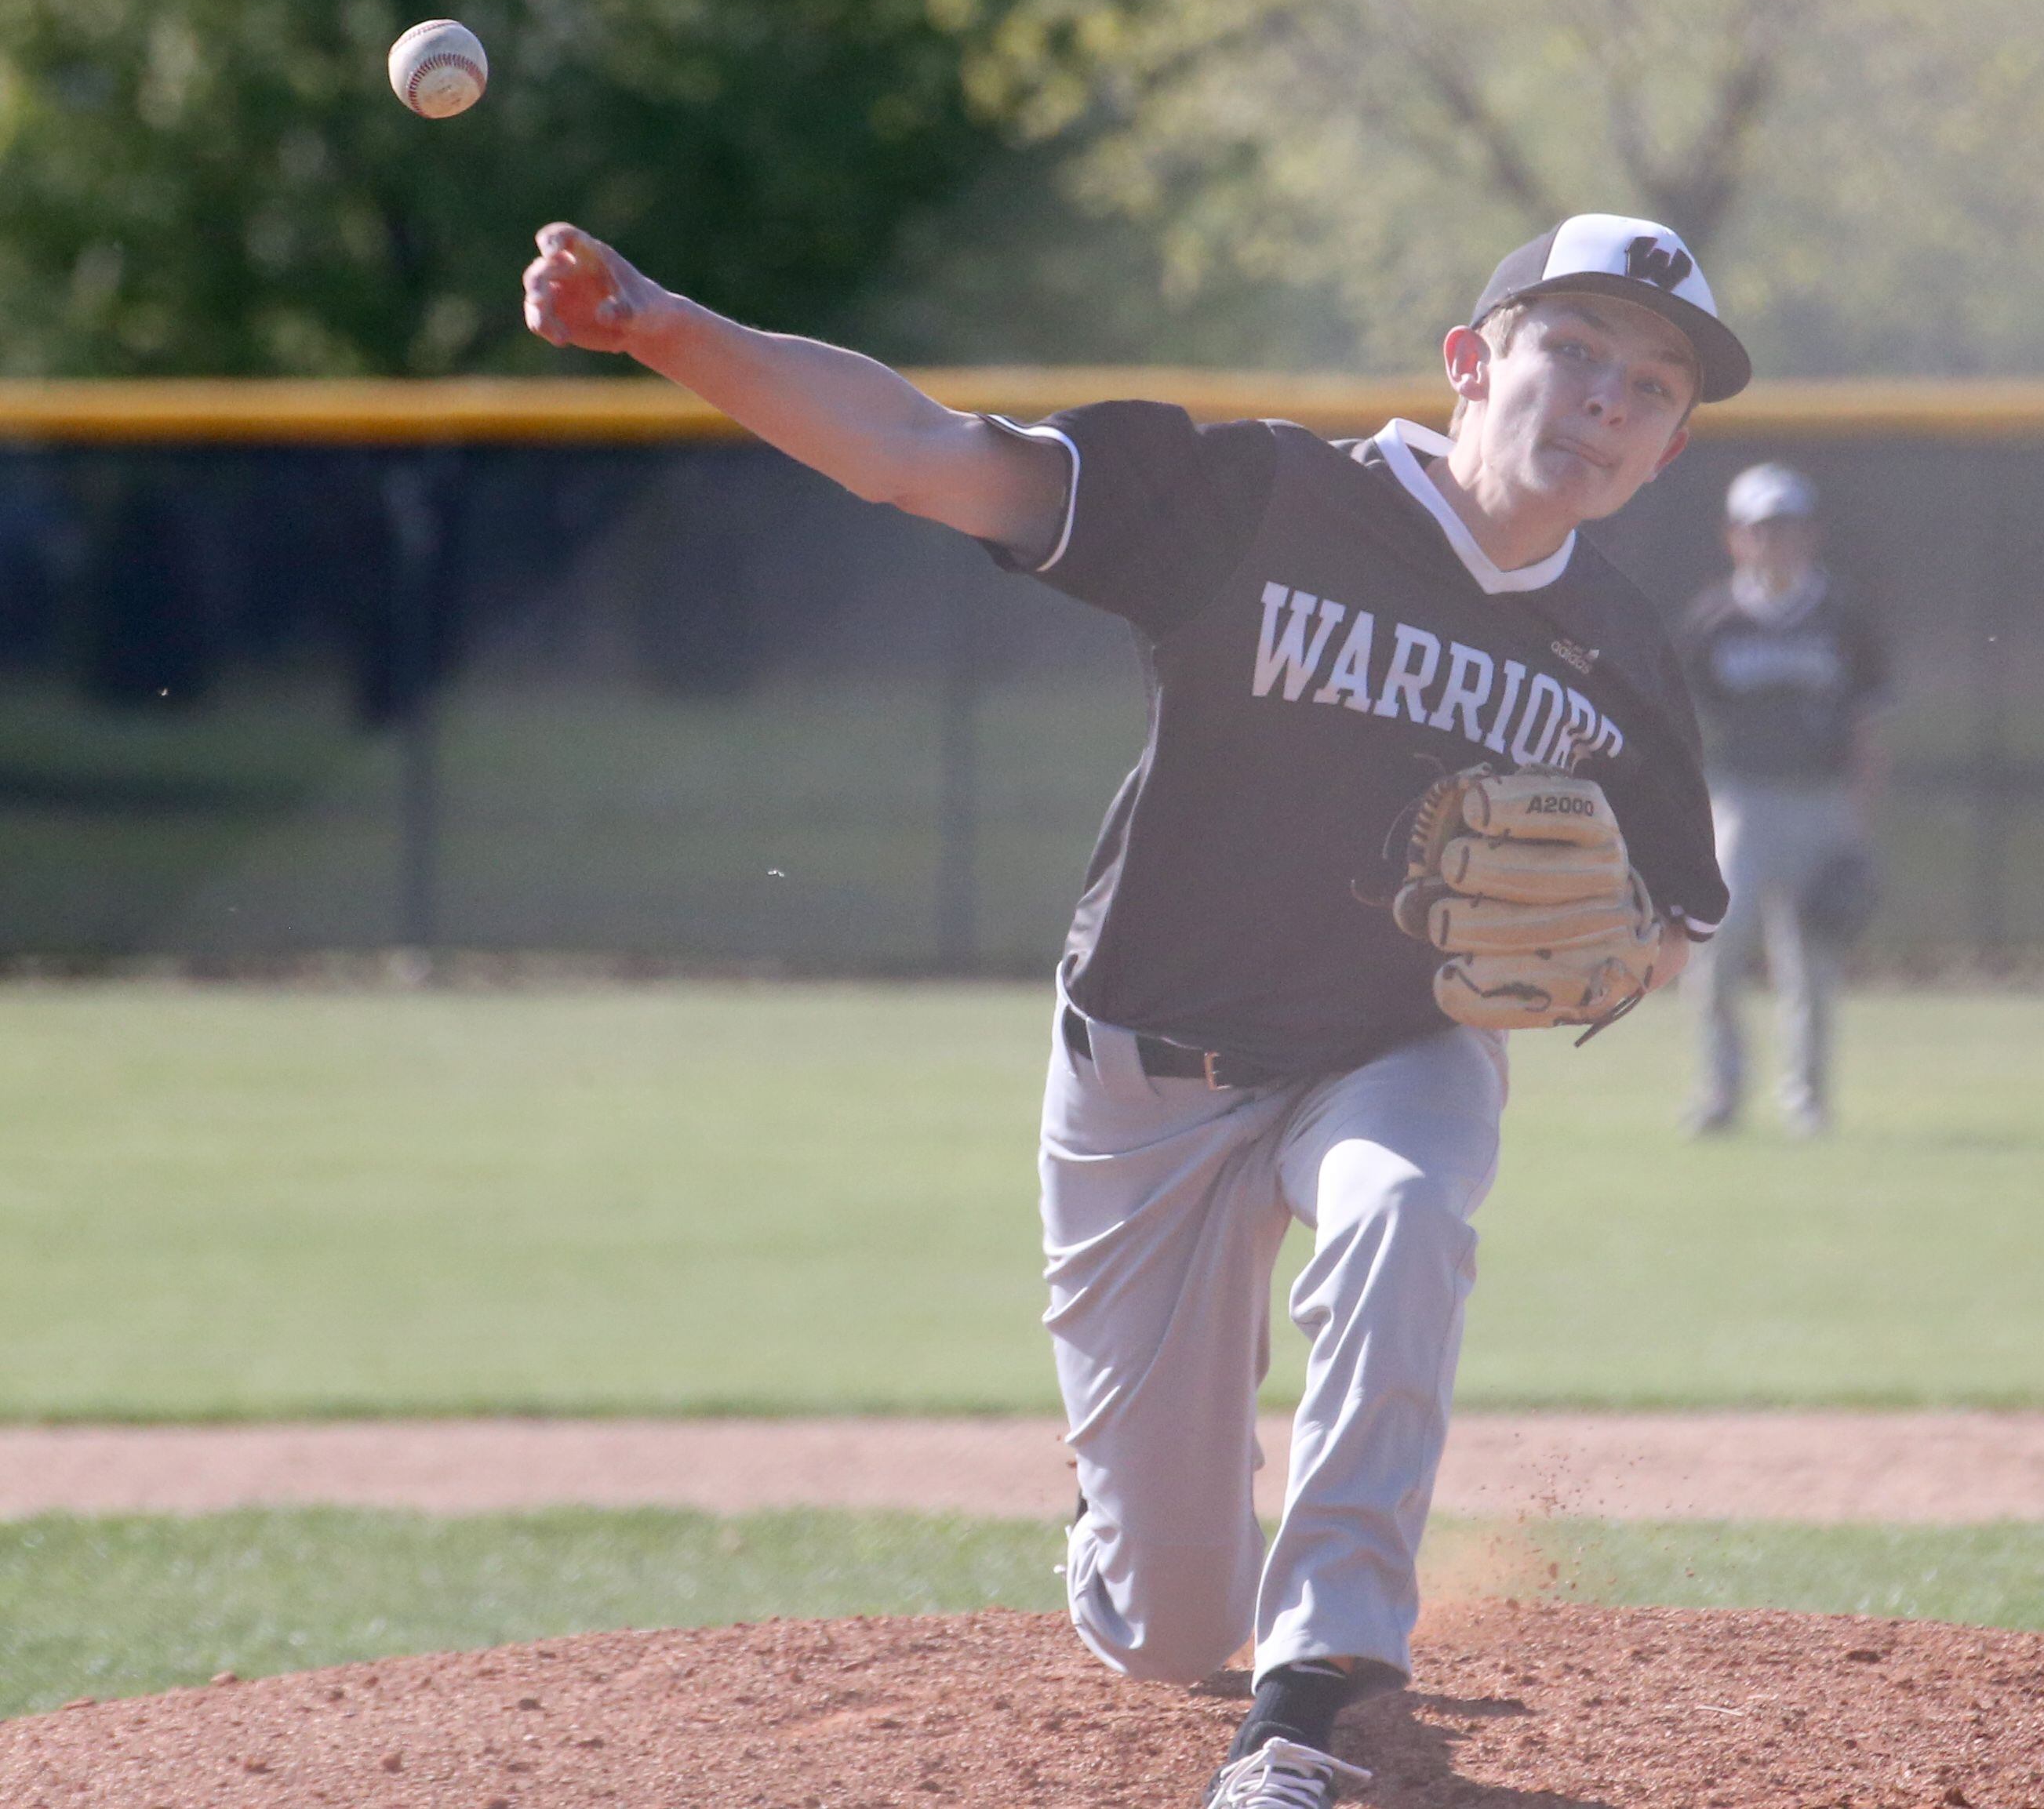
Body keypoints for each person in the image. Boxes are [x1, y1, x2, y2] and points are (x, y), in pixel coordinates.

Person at [522, 210, 1741, 1807]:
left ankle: (1319, 1688)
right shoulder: (1262, 502)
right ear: (1467, 362)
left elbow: (1669, 933)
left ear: (1662, 452)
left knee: (1405, 1210)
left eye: (1648, 386)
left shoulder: (1625, 657)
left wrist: (1612, 959)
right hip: (1145, 1078)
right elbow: (916, 453)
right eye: (1569, 349)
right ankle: (1150, 1561)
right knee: (1171, 1626)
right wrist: (665, 324)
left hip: (1390, 1052)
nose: (1601, 400)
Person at [1676, 464, 1890, 1139]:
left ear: (1813, 534)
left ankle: (1807, 1103)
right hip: (1740, 801)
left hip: (1819, 801)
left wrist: (1857, 824)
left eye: (1789, 527)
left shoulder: (1842, 617)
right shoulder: (1713, 619)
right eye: (1763, 528)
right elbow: (1682, 727)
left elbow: (1868, 728)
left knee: (1811, 965)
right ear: (1735, 537)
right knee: (1717, 950)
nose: (1777, 541)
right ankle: (1721, 1092)